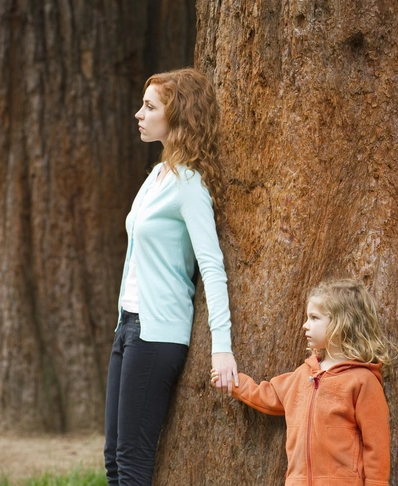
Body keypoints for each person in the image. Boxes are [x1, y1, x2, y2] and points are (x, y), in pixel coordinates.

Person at [104, 68, 239, 485]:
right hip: (128, 327)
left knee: (133, 463)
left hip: (157, 334)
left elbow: (212, 266)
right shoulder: (156, 178)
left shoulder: (189, 186)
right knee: (114, 460)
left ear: (177, 116)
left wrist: (222, 347)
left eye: (149, 107)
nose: (138, 115)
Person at [211, 279, 395, 485]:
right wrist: (233, 382)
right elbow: (267, 395)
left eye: (314, 318)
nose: (305, 325)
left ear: (342, 323)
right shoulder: (303, 374)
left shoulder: (363, 381)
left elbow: (376, 445)